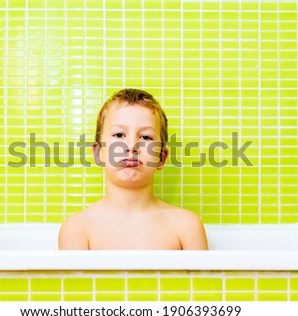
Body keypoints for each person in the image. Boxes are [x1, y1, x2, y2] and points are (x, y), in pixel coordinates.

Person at [58, 88, 208, 250]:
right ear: (98, 153)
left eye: (145, 137)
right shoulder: (77, 229)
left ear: (161, 158)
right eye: (119, 135)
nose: (132, 146)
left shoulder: (186, 226)